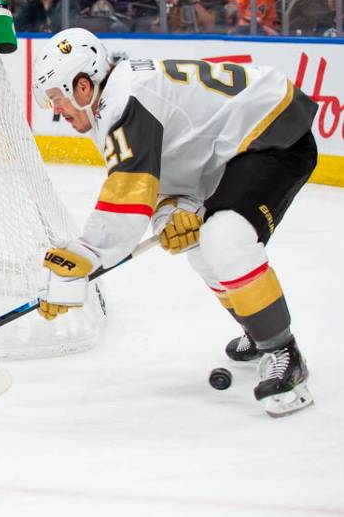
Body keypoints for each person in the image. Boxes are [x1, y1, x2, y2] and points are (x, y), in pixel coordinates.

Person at [31, 27, 317, 418]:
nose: (55, 110)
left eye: (57, 98)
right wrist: (172, 214)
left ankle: (284, 353)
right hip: (231, 151)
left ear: (82, 86)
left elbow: (127, 199)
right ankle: (258, 326)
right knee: (200, 247)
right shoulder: (109, 106)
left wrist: (84, 255)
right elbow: (163, 179)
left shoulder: (127, 96)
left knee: (224, 237)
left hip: (272, 133)